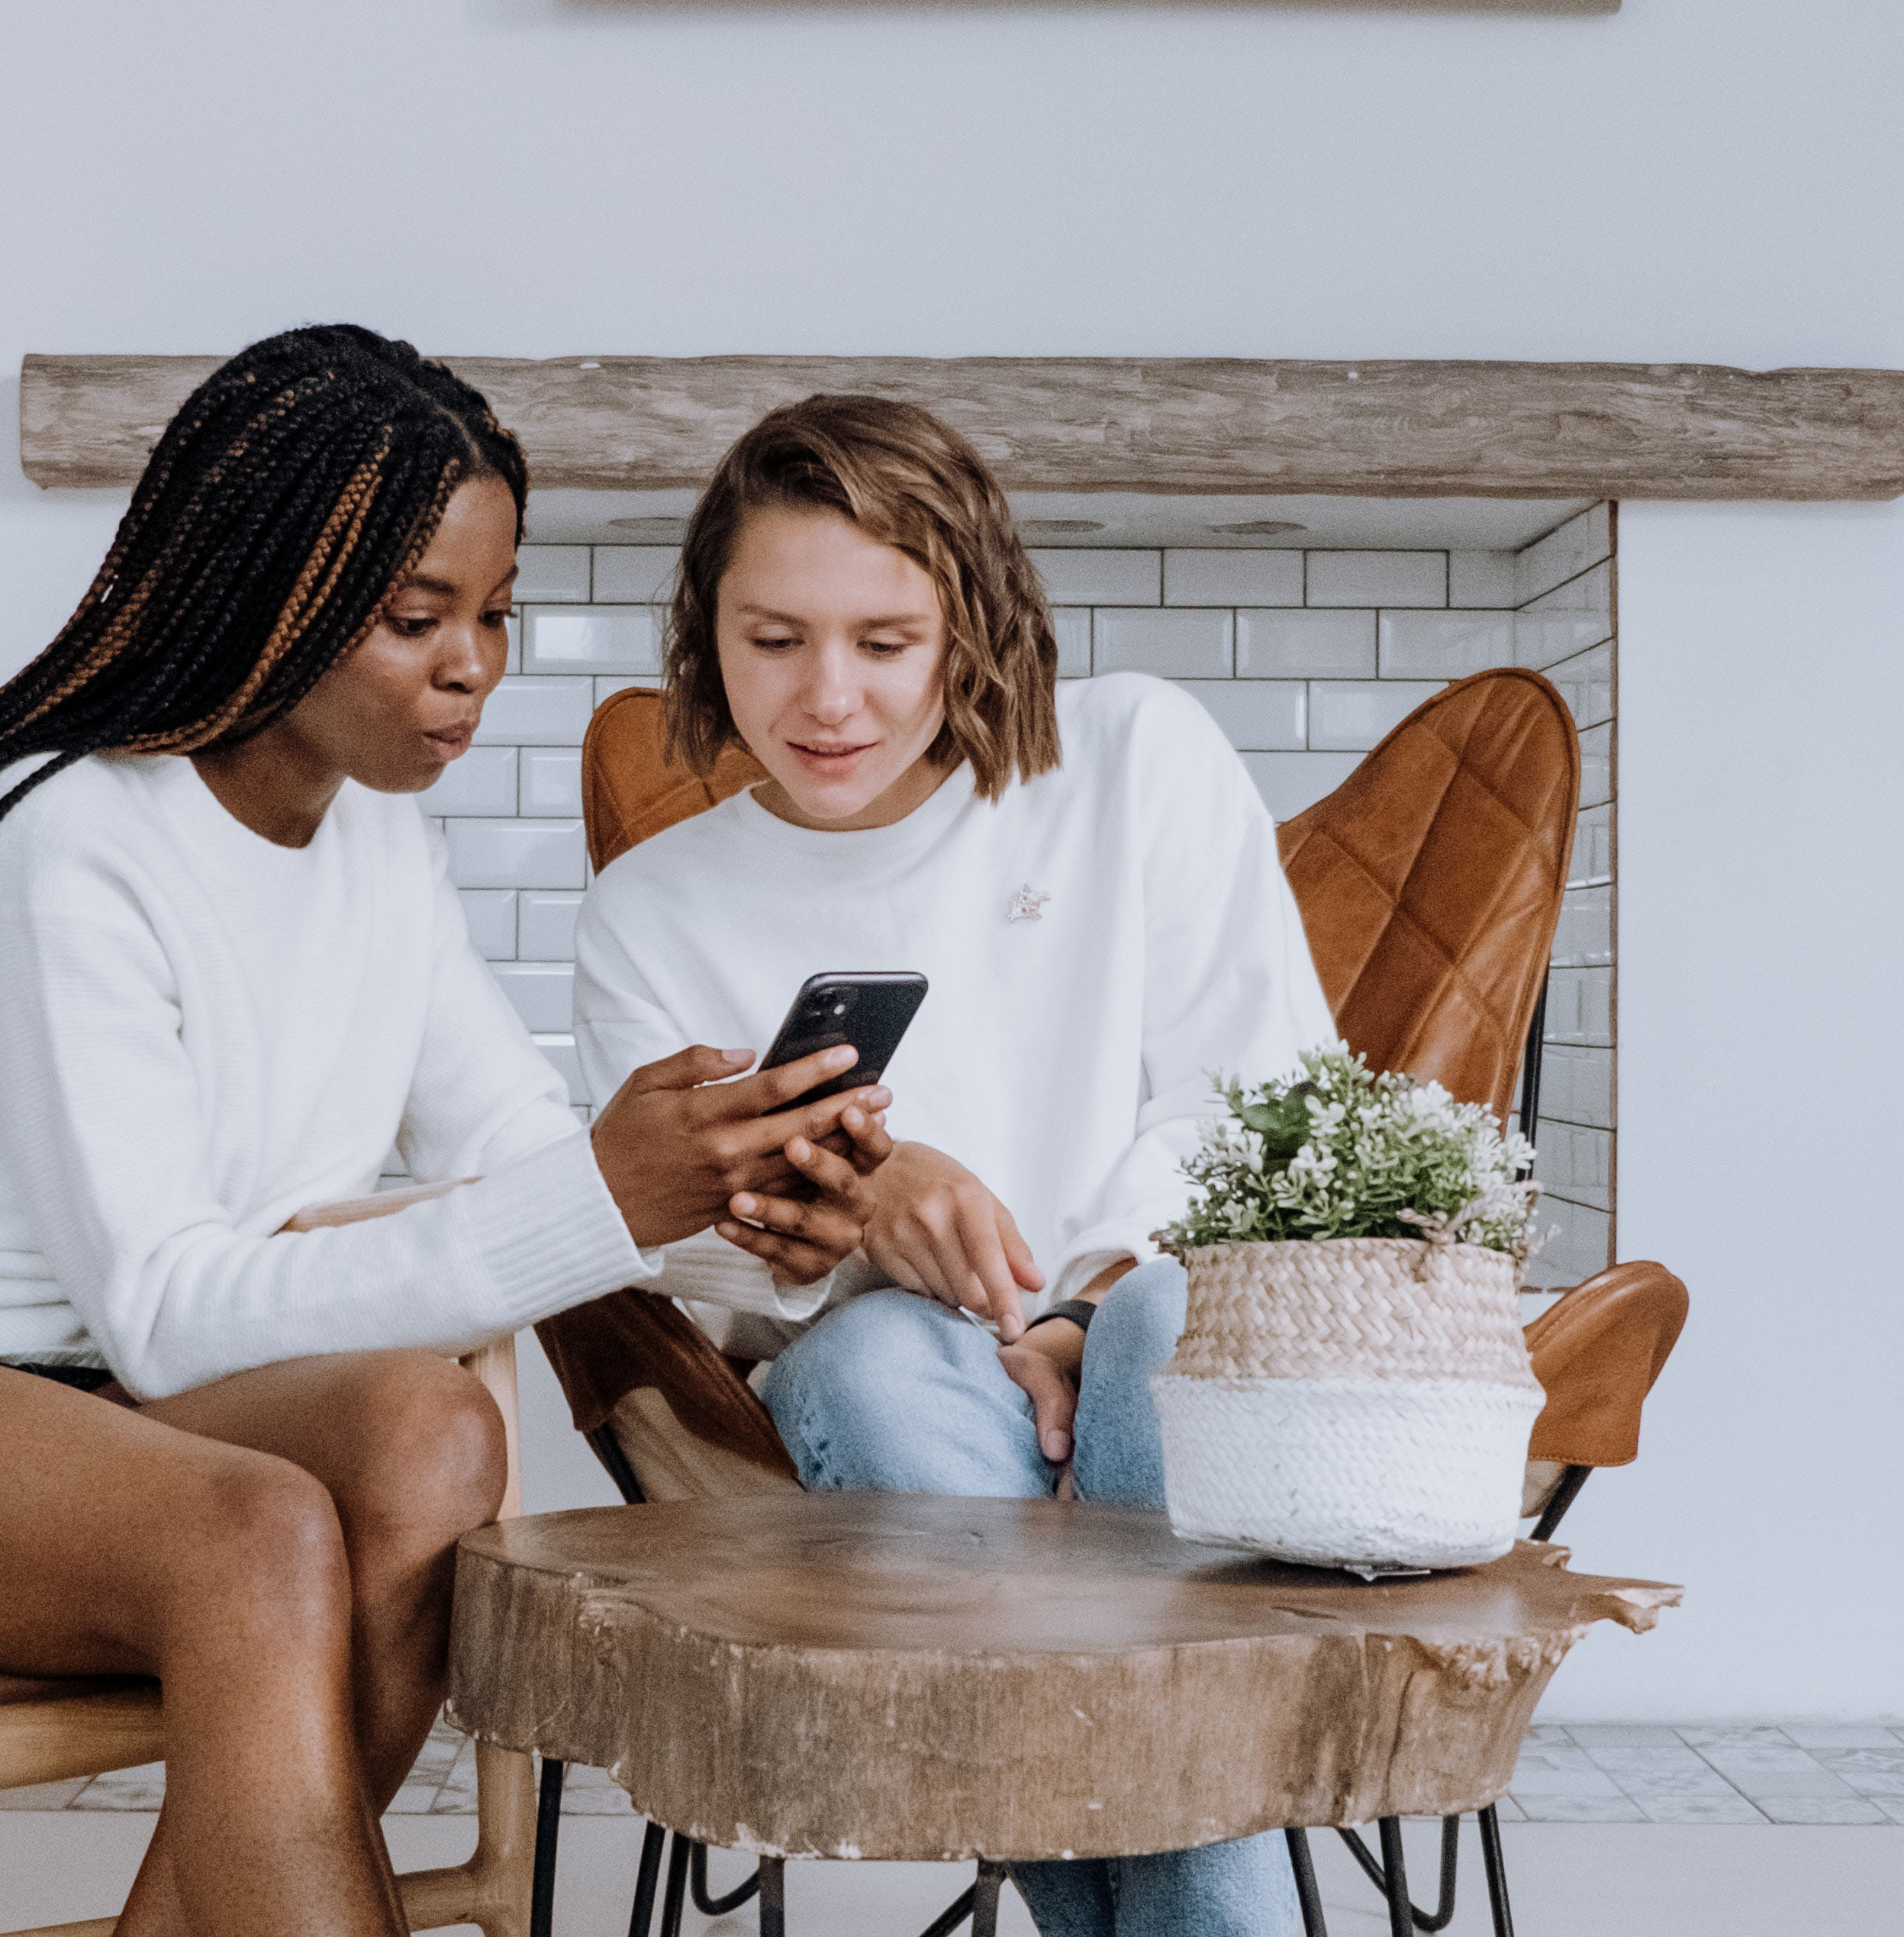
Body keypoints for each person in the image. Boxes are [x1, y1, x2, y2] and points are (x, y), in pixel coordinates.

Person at [0, 327, 890, 1937]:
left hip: (91, 1410)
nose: (473, 662)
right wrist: (610, 1197)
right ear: (268, 593)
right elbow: (166, 1308)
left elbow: (521, 1161)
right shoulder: (62, 833)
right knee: (258, 1534)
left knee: (429, 1441)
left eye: (493, 614)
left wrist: (728, 1197)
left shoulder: (380, 859)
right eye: (418, 617)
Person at [569, 394, 1338, 1936]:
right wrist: (855, 1211)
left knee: (1167, 1337)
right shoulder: (656, 911)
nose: (828, 697)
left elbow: (1265, 1100)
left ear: (969, 626)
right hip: (897, 1412)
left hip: (1137, 1340)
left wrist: (1077, 1306)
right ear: (705, 632)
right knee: (871, 1372)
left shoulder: (1130, 757)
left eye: (883, 640)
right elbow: (669, 1256)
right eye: (773, 638)